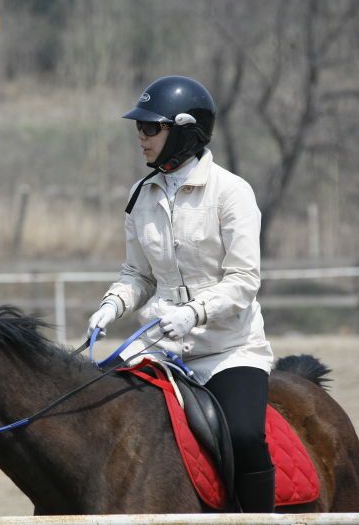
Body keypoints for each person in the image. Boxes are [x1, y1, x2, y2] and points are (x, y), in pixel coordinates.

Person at [87, 75, 276, 512]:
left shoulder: (232, 193)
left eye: (152, 128)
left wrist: (193, 314)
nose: (141, 136)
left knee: (246, 436)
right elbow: (138, 273)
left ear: (186, 131)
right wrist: (111, 305)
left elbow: (245, 280)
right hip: (159, 347)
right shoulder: (141, 195)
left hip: (227, 350)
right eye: (139, 127)